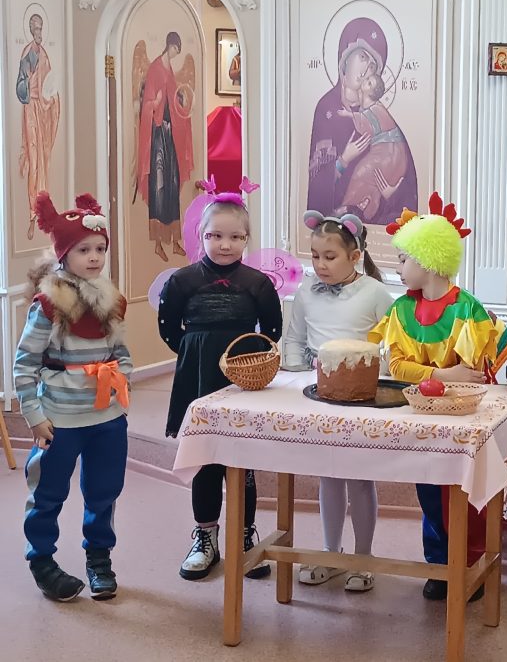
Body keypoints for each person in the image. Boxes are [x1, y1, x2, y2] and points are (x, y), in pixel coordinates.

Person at [369, 192, 499, 601]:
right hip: (421, 419)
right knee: (428, 491)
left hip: (461, 422)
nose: (398, 267)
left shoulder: (468, 309)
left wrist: (441, 377)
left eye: (403, 259)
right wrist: (442, 374)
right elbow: (397, 367)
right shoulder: (400, 310)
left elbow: (473, 373)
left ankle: (469, 564)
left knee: (462, 494)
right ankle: (439, 563)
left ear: (426, 261)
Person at [157, 193, 282, 581]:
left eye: (235, 237)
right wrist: (194, 352)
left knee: (241, 462)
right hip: (198, 378)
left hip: (242, 379)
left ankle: (244, 538)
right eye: (215, 236)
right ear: (201, 235)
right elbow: (168, 328)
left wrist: (246, 363)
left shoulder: (258, 283)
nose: (225, 245)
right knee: (206, 459)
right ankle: (205, 538)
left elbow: (272, 330)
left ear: (246, 238)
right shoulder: (182, 281)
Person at [15, 192, 131, 602]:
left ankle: (99, 558)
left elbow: (122, 353)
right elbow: (24, 364)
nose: (95, 257)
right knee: (47, 492)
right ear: (64, 254)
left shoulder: (110, 301)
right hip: (60, 420)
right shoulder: (48, 305)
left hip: (106, 417)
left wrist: (121, 381)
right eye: (84, 250)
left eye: (100, 249)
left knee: (104, 491)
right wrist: (34, 415)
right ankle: (42, 560)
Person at [282, 211, 394, 591]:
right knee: (328, 474)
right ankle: (332, 553)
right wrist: (297, 375)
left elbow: (394, 342)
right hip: (319, 396)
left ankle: (363, 558)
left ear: (355, 256)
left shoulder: (375, 293)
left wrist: (375, 373)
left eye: (329, 257)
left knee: (359, 478)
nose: (320, 264)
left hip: (361, 398)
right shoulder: (306, 293)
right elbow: (295, 339)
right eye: (315, 256)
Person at [308, 17, 418, 225]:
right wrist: (343, 160)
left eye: (373, 65)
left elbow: (406, 179)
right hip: (333, 231)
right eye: (362, 56)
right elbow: (314, 183)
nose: (367, 68)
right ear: (345, 57)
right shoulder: (326, 109)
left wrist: (391, 192)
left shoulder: (382, 116)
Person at [136, 31, 194, 262]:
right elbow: (148, 103)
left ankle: (176, 241)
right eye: (175, 49)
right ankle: (158, 243)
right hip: (158, 134)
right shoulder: (155, 68)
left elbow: (174, 98)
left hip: (170, 134)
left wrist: (182, 104)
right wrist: (156, 102)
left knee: (172, 183)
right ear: (170, 45)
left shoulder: (169, 69)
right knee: (159, 185)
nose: (176, 53)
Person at [335, 73, 409, 220]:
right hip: (388, 157)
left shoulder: (376, 108)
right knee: (371, 183)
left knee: (361, 173)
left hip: (388, 155)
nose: (365, 79)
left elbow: (366, 123)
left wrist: (349, 115)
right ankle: (366, 208)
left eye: (369, 82)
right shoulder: (367, 108)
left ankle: (346, 208)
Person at [16, 13, 61, 241]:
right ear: (30, 29)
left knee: (44, 161)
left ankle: (43, 211)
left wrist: (51, 99)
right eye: (35, 28)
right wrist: (28, 83)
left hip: (43, 112)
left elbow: (50, 84)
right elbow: (21, 88)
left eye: (41, 28)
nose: (38, 32)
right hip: (31, 112)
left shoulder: (44, 55)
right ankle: (32, 215)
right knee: (34, 163)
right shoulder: (28, 54)